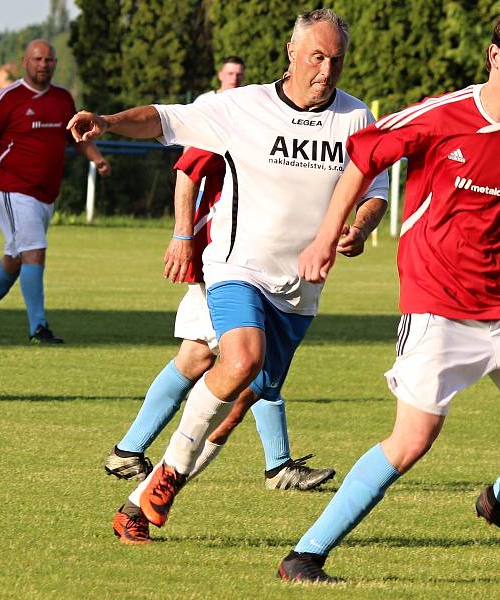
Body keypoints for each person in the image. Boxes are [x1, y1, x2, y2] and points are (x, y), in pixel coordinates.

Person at [278, 1, 500, 582]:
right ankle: (306, 555)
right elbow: (361, 161)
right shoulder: (440, 115)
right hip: (438, 305)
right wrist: (325, 239)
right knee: (412, 440)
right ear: (496, 55)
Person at [68, 8, 389, 544]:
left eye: (336, 60)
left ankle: (150, 493)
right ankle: (149, 465)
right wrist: (109, 122)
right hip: (237, 266)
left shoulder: (356, 119)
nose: (326, 70)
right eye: (317, 57)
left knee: (244, 398)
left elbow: (374, 193)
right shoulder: (243, 106)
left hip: (301, 286)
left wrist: (357, 228)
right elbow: (164, 119)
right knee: (239, 357)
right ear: (292, 53)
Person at [103, 57, 331, 493]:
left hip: (247, 260)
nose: (238, 82)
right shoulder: (234, 117)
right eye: (231, 76)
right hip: (227, 259)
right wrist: (182, 235)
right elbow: (187, 173)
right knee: (245, 356)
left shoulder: (280, 120)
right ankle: (276, 464)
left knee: (200, 357)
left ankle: (128, 451)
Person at [0, 40, 110, 344]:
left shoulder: (62, 99)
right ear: (25, 61)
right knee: (34, 250)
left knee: (16, 257)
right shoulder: (7, 97)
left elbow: (77, 137)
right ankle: (38, 327)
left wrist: (96, 158)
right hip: (13, 188)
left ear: (55, 63)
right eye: (38, 59)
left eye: (49, 60)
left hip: (46, 193)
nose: (43, 64)